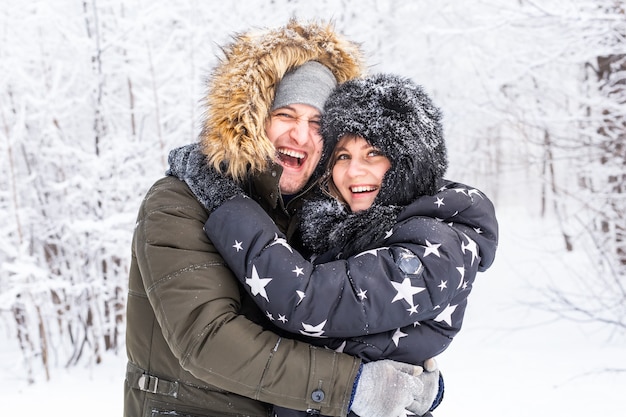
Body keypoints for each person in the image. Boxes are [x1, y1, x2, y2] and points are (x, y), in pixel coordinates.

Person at [125, 20, 441, 417]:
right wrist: (354, 385)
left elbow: (351, 311)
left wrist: (410, 379)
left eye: (317, 123)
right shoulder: (179, 202)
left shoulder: (324, 212)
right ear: (252, 119)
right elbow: (206, 339)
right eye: (286, 115)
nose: (301, 136)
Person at [169, 74, 499, 417]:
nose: (353, 171)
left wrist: (225, 200)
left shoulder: (436, 244)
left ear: (408, 161)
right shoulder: (355, 229)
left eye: (373, 153)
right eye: (342, 155)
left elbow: (305, 301)